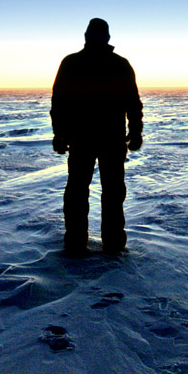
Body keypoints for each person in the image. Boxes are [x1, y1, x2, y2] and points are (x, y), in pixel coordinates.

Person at [50, 18, 144, 254]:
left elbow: (132, 103)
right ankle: (101, 243)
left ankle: (82, 242)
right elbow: (59, 102)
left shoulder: (74, 63)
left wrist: (135, 131)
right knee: (96, 192)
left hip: (94, 139)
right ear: (108, 38)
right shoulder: (117, 64)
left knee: (87, 192)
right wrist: (60, 134)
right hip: (98, 139)